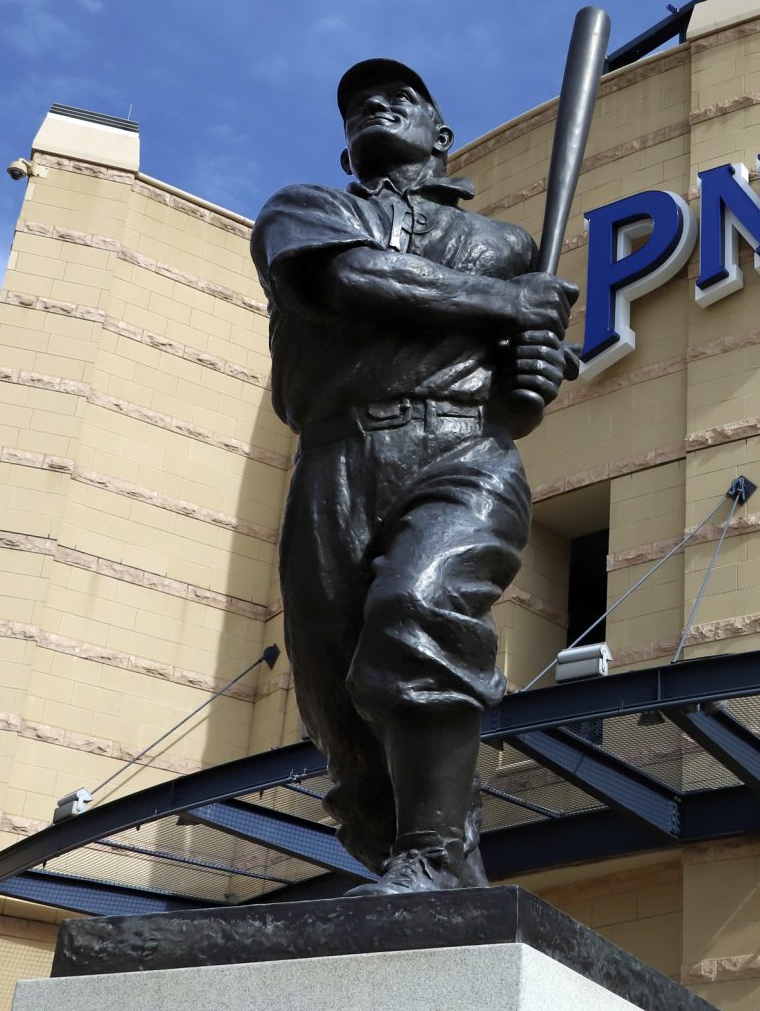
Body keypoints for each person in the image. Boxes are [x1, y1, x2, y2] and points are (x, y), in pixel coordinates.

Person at [249, 58, 576, 894]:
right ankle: (434, 852)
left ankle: (428, 853)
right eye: (358, 104)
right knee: (340, 704)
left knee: (415, 608)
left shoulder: (506, 247)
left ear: (441, 135)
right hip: (334, 461)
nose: (375, 106)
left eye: (401, 98)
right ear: (345, 146)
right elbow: (349, 279)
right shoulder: (308, 211)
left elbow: (514, 400)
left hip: (462, 453)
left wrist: (532, 371)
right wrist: (510, 308)